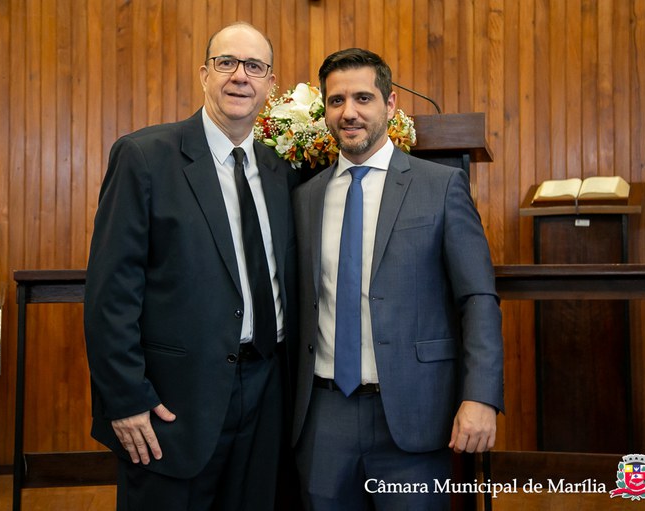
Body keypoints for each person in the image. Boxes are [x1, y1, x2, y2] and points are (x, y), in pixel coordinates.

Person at [84, 22, 298, 511]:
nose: (240, 76)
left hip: (266, 396)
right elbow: (110, 294)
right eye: (227, 63)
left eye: (254, 67)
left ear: (270, 84)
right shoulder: (145, 157)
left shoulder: (280, 171)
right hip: (173, 404)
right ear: (204, 74)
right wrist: (125, 398)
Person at [291, 48, 504, 510]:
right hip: (324, 417)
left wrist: (481, 397)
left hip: (415, 413)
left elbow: (477, 298)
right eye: (336, 100)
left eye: (363, 98)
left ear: (389, 105)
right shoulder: (306, 198)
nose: (349, 112)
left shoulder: (440, 186)